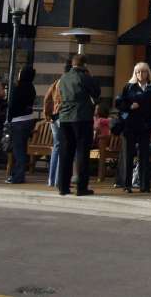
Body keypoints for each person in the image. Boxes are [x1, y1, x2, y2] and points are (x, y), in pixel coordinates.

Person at [57, 54, 100, 197]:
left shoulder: (63, 78)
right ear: (85, 65)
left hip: (64, 118)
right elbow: (96, 93)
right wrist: (91, 77)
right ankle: (81, 188)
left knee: (65, 152)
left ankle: (63, 187)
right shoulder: (85, 77)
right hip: (82, 118)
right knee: (82, 152)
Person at [116, 62, 151, 193]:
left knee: (144, 156)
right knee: (128, 155)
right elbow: (118, 103)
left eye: (143, 71)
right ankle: (126, 185)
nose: (141, 74)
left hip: (145, 127)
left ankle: (144, 185)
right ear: (135, 74)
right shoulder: (128, 87)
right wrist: (129, 107)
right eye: (138, 72)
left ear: (148, 73)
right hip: (129, 126)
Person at [6, 66, 37, 184]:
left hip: (17, 120)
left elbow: (12, 105)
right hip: (28, 119)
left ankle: (18, 176)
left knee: (18, 150)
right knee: (22, 149)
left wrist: (8, 119)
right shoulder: (31, 88)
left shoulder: (18, 87)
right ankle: (19, 174)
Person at [43, 60, 68, 187]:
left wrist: (48, 115)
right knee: (63, 147)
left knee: (56, 147)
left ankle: (51, 179)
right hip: (62, 117)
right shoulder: (67, 83)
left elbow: (47, 98)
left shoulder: (56, 82)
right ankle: (59, 179)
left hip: (54, 117)